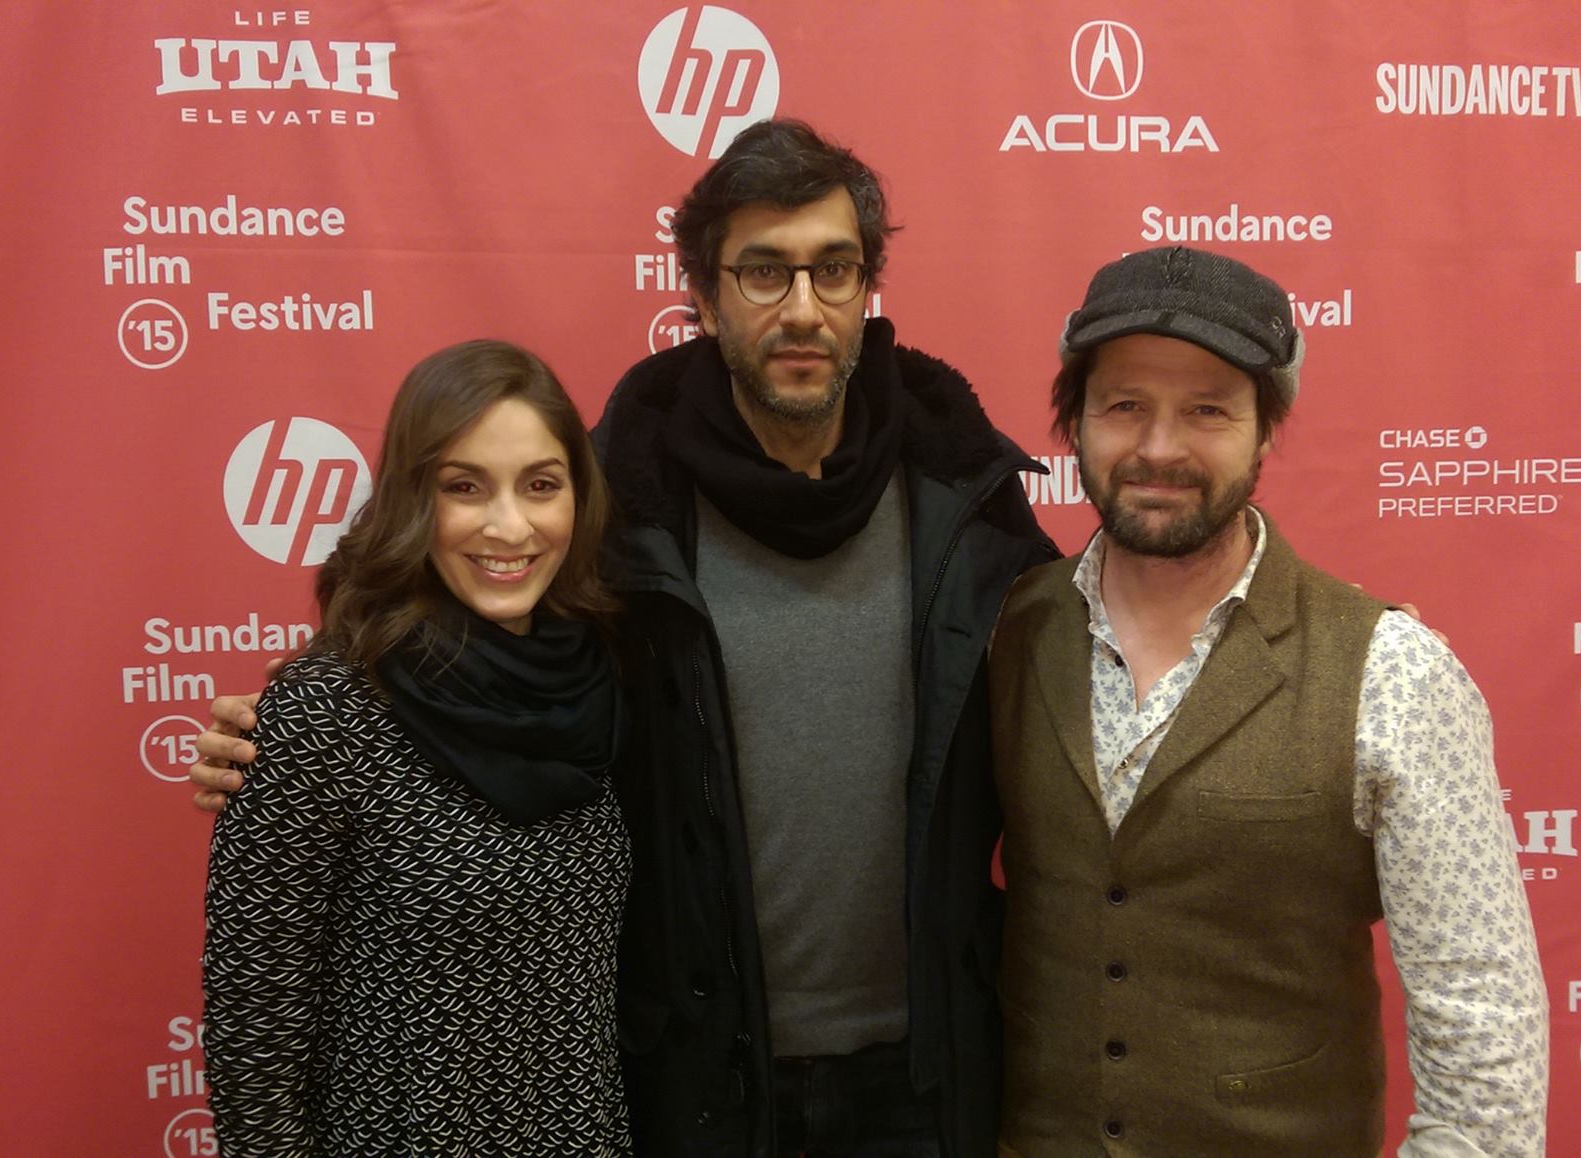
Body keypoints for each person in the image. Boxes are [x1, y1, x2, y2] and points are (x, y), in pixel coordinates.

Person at [194, 119, 1058, 1156]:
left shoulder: (968, 506)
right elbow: (469, 682)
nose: (801, 309)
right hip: (695, 1088)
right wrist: (286, 744)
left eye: (832, 271)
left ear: (867, 288)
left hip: (926, 1082)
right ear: (699, 294)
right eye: (762, 273)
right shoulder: (618, 517)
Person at [988, 246, 1549, 1156]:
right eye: (1125, 405)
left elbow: (1482, 1032)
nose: (1159, 447)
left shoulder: (1393, 673)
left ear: (1265, 429)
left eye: (1207, 410)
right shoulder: (1002, 632)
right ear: (1076, 422)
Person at [200, 341, 632, 1155]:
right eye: (464, 488)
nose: (510, 525)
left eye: (541, 485)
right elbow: (255, 1036)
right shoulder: (328, 710)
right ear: (411, 501)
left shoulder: (602, 682)